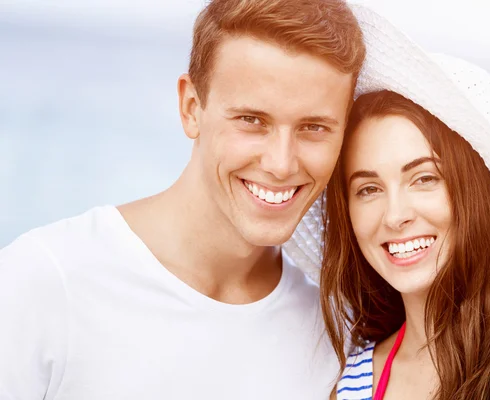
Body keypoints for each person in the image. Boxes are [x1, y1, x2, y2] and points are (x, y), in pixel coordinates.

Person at [0, 0, 366, 398]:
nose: (281, 164)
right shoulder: (42, 283)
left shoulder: (334, 335)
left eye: (314, 127)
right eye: (251, 120)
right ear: (191, 108)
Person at [284, 5, 490, 400]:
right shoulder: (352, 386)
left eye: (424, 178)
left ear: (476, 194)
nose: (395, 215)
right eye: (368, 189)